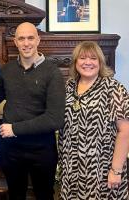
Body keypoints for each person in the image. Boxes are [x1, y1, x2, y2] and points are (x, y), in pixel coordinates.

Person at [0, 22, 66, 200]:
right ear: (15, 42)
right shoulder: (7, 70)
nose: (26, 43)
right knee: (15, 195)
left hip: (42, 150)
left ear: (38, 40)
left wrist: (15, 129)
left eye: (30, 38)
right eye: (21, 38)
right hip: (11, 150)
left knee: (44, 195)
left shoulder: (52, 72)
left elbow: (55, 119)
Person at [59, 41, 129, 199]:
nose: (88, 62)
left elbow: (125, 132)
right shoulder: (69, 87)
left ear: (100, 62)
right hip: (72, 170)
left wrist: (116, 170)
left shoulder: (113, 88)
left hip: (102, 170)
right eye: (83, 58)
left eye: (93, 58)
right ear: (76, 62)